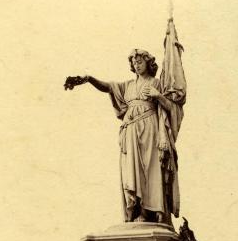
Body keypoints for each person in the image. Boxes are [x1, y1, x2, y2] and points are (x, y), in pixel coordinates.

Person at [65, 47, 182, 224]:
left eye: (140, 61)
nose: (137, 65)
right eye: (134, 63)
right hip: (130, 131)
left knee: (151, 170)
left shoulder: (157, 83)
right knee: (131, 172)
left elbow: (173, 109)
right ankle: (138, 210)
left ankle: (153, 211)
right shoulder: (128, 86)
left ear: (148, 63)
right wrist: (89, 79)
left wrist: (158, 96)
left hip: (150, 129)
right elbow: (108, 87)